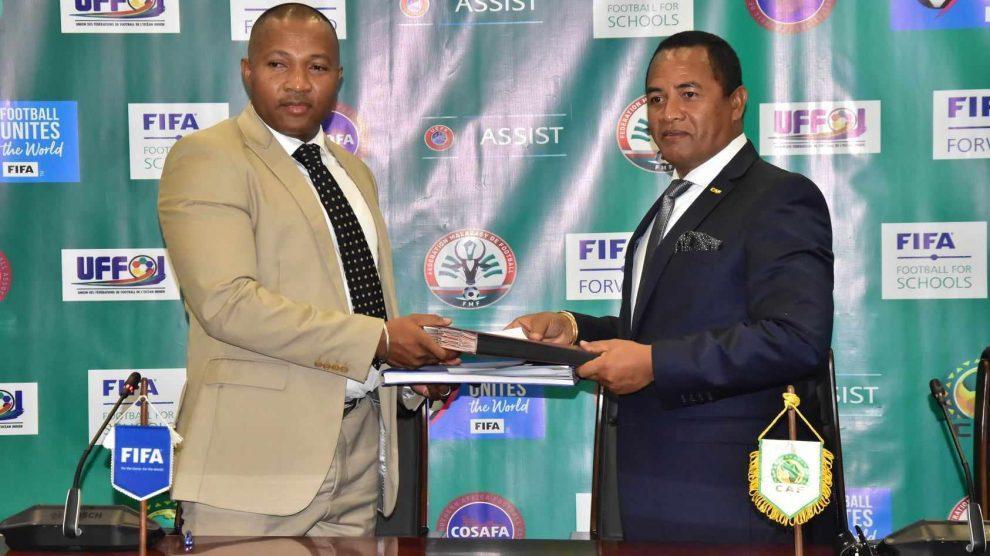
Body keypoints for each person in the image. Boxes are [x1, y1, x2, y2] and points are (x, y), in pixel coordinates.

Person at [509, 31, 836, 544]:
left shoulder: (780, 197)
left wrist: (654, 364)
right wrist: (574, 329)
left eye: (689, 94)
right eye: (657, 99)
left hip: (732, 495)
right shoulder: (672, 203)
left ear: (736, 103)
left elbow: (796, 337)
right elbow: (661, 330)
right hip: (652, 486)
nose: (669, 114)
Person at [158, 3, 456, 537]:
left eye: (316, 67)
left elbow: (360, 304)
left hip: (359, 457)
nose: (298, 83)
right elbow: (227, 303)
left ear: (338, 78)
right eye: (278, 64)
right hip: (252, 465)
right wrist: (382, 339)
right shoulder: (208, 157)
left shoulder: (352, 171)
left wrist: (412, 371)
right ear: (248, 72)